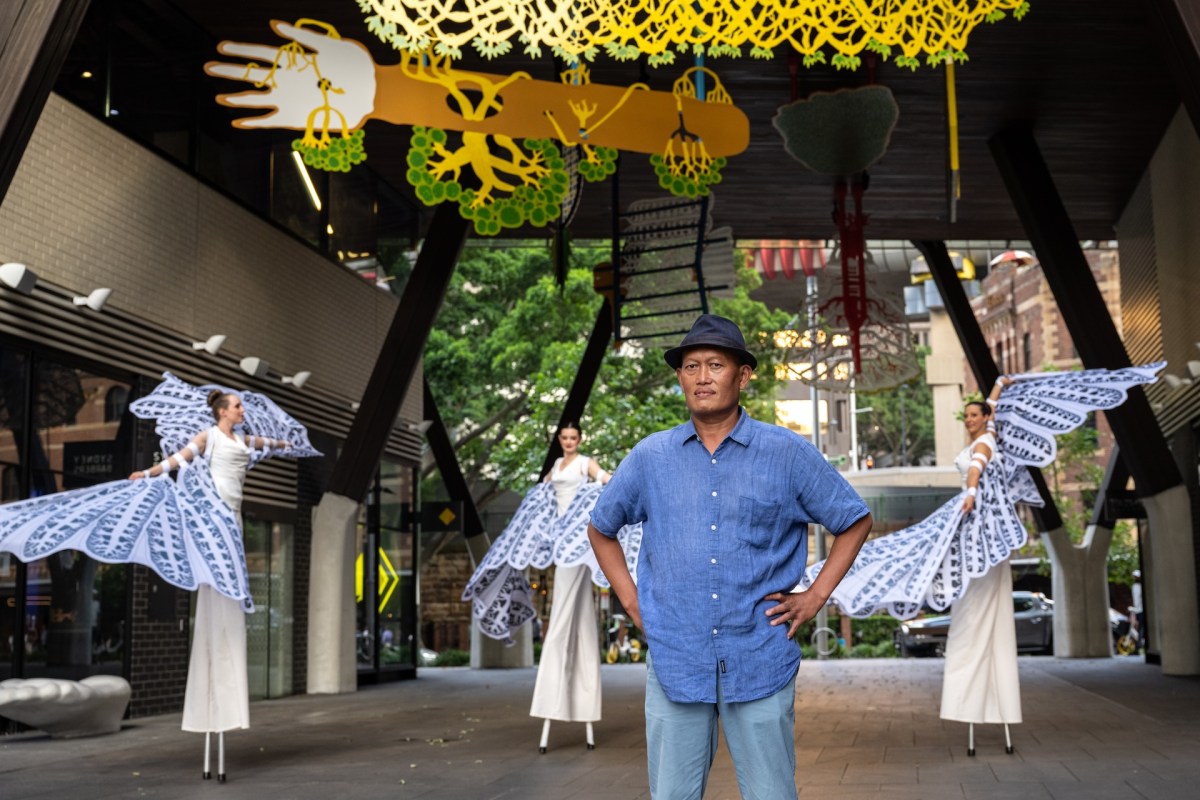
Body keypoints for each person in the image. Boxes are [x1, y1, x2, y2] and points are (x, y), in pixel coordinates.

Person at [805, 363, 1163, 756]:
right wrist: (998, 386)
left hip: (979, 531)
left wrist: (971, 491)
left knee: (933, 574)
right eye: (968, 415)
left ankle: (976, 698)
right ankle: (979, 701)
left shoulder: (985, 445)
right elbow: (990, 418)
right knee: (925, 568)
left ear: (985, 419)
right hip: (976, 531)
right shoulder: (990, 431)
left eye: (975, 415)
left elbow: (977, 465)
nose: (970, 420)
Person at [587, 314, 873, 800]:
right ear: (680, 377)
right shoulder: (651, 457)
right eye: (691, 366)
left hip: (759, 654)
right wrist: (634, 604)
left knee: (771, 795)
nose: (702, 377)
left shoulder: (786, 453)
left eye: (715, 365)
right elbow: (601, 528)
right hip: (676, 656)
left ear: (742, 376)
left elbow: (853, 519)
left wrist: (815, 597)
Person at [129, 388, 292, 782]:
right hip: (214, 518)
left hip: (234, 522)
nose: (243, 409)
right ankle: (210, 707)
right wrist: (147, 473)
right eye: (237, 406)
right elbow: (177, 460)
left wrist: (285, 441)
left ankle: (224, 702)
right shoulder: (210, 437)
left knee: (228, 600)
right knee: (215, 593)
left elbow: (267, 443)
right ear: (222, 411)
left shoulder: (242, 439)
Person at [530, 422, 610, 753]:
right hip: (561, 540)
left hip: (578, 543)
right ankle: (569, 702)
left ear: (579, 440)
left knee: (563, 620)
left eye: (573, 438)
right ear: (560, 440)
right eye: (564, 438)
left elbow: (606, 480)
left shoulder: (583, 463)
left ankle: (553, 700)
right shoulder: (557, 467)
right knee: (576, 620)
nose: (568, 442)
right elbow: (541, 494)